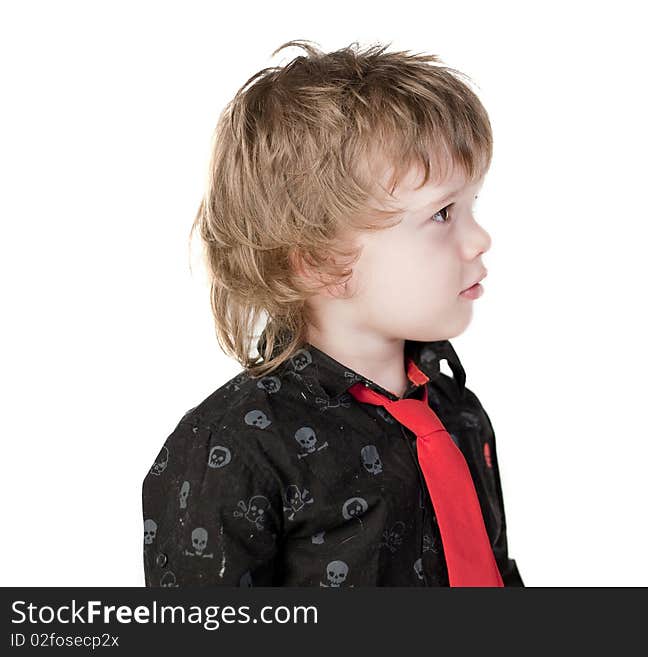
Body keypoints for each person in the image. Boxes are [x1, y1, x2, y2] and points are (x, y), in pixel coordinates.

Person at [142, 39, 523, 587]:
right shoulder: (235, 448)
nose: (479, 239)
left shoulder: (458, 413)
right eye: (442, 213)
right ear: (320, 261)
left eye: (472, 207)